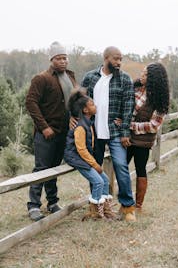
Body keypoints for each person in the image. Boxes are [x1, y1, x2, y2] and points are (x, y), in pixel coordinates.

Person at [81, 46, 136, 221]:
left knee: (121, 165)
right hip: (94, 131)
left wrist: (125, 131)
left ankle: (128, 207)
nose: (119, 62)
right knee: (95, 167)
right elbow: (79, 101)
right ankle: (98, 206)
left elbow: (128, 107)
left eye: (121, 59)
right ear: (106, 58)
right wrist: (76, 120)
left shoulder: (125, 79)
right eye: (116, 59)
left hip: (116, 132)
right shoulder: (90, 78)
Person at [26, 41, 77, 221]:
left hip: (64, 133)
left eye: (65, 57)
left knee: (54, 169)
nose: (63, 61)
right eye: (59, 58)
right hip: (46, 133)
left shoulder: (70, 77)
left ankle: (53, 202)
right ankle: (33, 206)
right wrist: (44, 127)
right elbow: (31, 103)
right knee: (41, 169)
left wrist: (74, 117)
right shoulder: (42, 78)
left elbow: (73, 102)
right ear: (52, 59)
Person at [64, 88, 117, 220]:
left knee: (105, 180)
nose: (95, 106)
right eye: (92, 104)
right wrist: (94, 164)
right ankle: (94, 213)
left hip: (84, 158)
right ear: (85, 110)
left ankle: (105, 209)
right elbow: (81, 150)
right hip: (76, 158)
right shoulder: (81, 127)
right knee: (98, 182)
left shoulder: (89, 123)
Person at [127, 62, 170, 210]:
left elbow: (153, 125)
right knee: (120, 167)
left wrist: (130, 126)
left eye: (145, 74)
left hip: (143, 142)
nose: (141, 75)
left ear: (153, 79)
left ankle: (138, 204)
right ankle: (123, 199)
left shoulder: (160, 99)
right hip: (127, 138)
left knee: (140, 169)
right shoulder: (135, 88)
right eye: (142, 72)